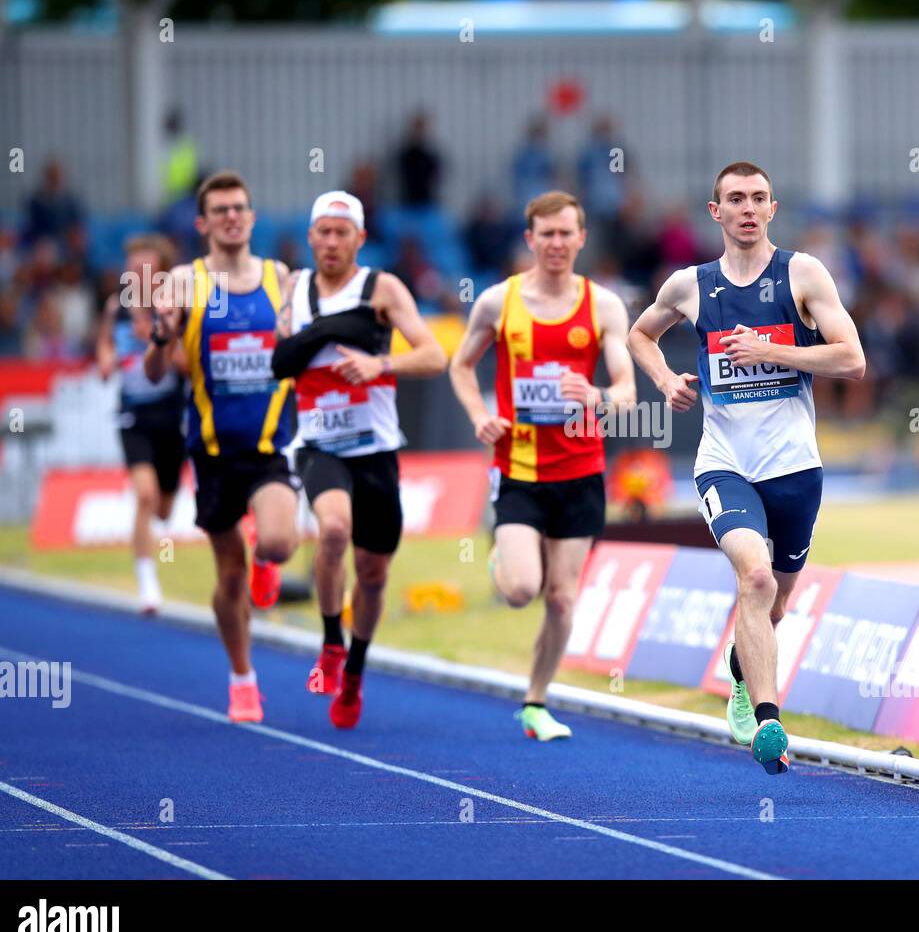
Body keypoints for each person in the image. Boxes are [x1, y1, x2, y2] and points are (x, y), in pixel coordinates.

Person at [627, 161, 866, 775]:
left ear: (773, 209)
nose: (748, 208)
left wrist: (771, 350)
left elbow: (852, 359)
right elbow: (640, 334)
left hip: (794, 470)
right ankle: (768, 723)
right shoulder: (690, 285)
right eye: (736, 199)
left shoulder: (802, 273)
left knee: (776, 604)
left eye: (759, 198)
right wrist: (664, 380)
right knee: (754, 581)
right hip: (724, 463)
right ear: (717, 213)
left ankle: (740, 670)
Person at [449, 190, 636, 742]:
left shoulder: (603, 305)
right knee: (522, 589)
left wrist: (595, 393)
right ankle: (504, 567)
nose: (556, 243)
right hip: (519, 469)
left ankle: (535, 701)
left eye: (566, 233)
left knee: (562, 596)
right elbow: (460, 367)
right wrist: (480, 414)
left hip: (580, 473)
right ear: (529, 239)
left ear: (582, 238)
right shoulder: (496, 303)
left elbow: (626, 392)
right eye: (546, 234)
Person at [272, 191, 446, 729]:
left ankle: (354, 671)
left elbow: (434, 354)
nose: (330, 241)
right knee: (332, 531)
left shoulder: (382, 288)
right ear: (310, 237)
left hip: (375, 450)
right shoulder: (292, 287)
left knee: (372, 574)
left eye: (341, 232)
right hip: (318, 445)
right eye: (322, 231)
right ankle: (329, 641)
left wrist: (380, 364)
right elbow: (282, 358)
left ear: (360, 239)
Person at [145, 170, 300, 723]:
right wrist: (162, 337)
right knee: (228, 579)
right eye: (220, 209)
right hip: (211, 451)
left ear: (252, 218)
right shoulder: (181, 284)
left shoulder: (281, 278)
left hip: (268, 446)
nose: (231, 216)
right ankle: (242, 677)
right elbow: (156, 372)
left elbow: (300, 351)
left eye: (240, 207)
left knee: (280, 543)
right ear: (202, 222)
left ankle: (268, 556)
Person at [96, 233, 185, 614]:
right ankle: (148, 585)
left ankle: (156, 546)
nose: (137, 275)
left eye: (145, 269)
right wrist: (105, 359)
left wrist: (155, 337)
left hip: (171, 414)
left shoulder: (173, 309)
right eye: (132, 268)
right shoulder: (116, 308)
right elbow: (104, 345)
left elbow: (186, 366)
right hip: (133, 414)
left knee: (164, 509)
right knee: (145, 496)